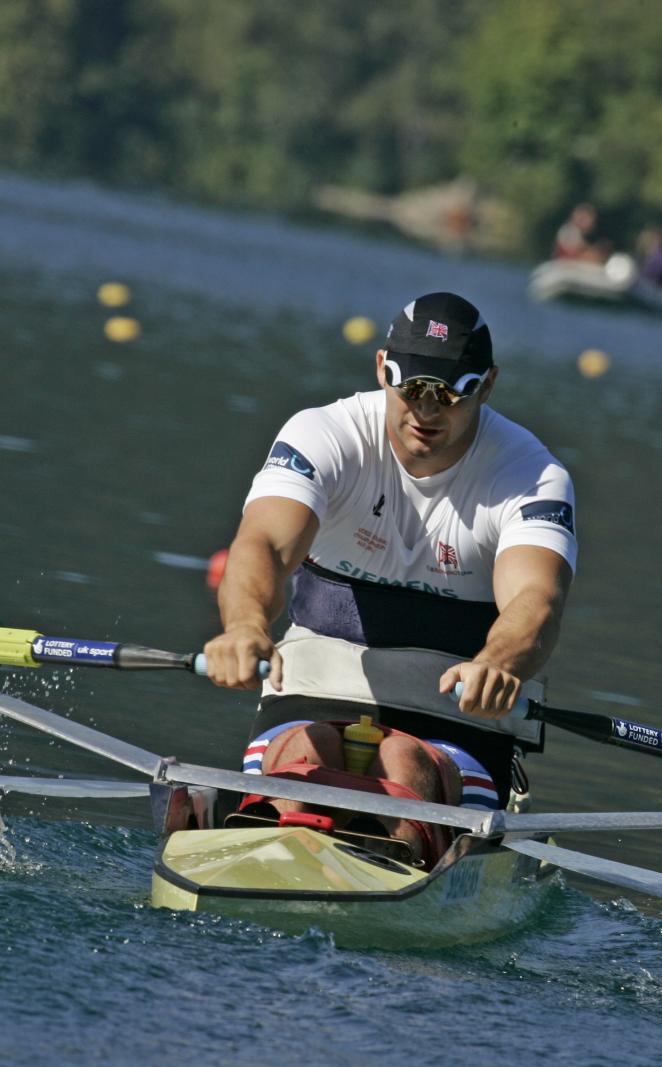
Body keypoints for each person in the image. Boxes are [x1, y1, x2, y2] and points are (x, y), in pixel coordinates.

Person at [203, 292, 577, 866]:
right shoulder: (323, 435)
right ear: (382, 369)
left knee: (405, 763)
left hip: (458, 719)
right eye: (413, 387)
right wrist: (245, 626)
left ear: (488, 385)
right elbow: (264, 546)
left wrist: (500, 663)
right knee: (310, 750)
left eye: (452, 392)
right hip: (310, 692)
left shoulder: (531, 475)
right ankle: (291, 840)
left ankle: (383, 861)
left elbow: (535, 601)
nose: (427, 410)